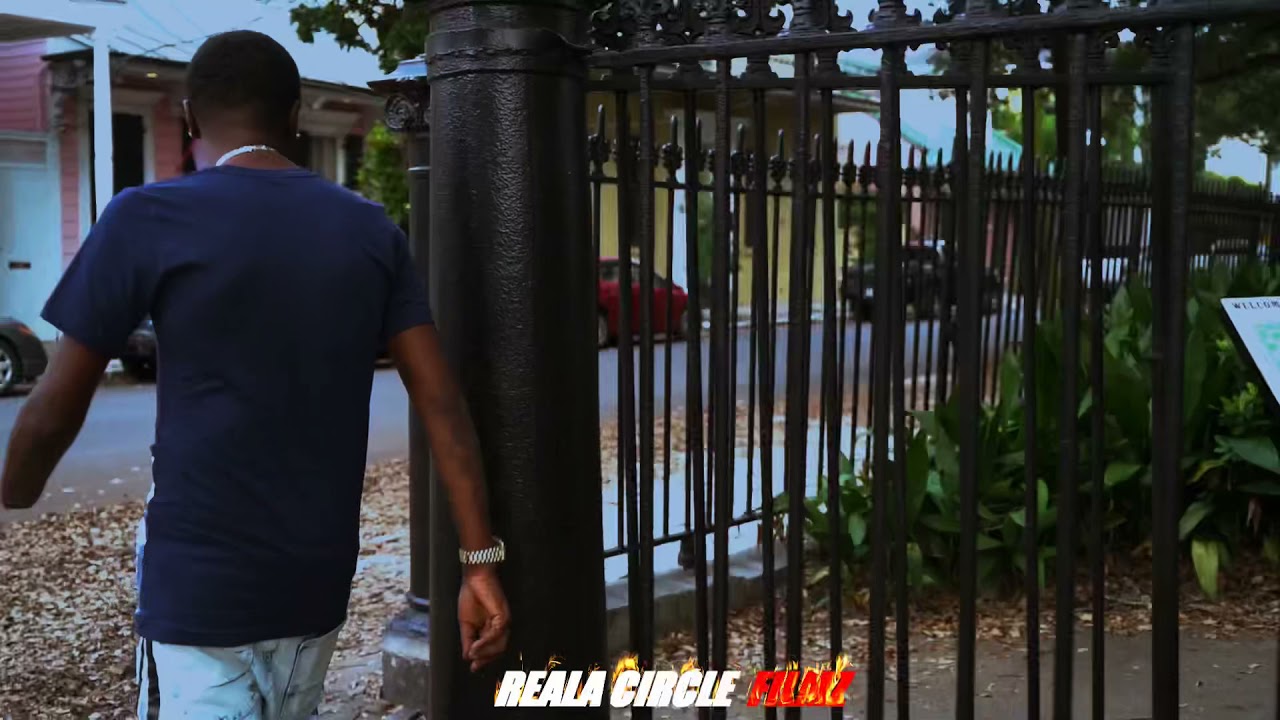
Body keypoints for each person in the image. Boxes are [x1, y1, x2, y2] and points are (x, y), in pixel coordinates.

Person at [0, 30, 509, 719]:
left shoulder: (146, 217)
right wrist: (479, 562)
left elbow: (56, 405)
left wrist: (15, 491)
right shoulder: (369, 230)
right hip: (316, 583)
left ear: (188, 117)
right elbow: (442, 404)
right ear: (294, 116)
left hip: (200, 589)